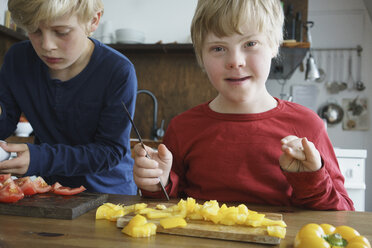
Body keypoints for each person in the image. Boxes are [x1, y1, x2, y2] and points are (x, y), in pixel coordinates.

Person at [133, 0, 354, 210]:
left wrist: (312, 177)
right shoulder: (182, 128)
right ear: (200, 55)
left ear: (274, 46)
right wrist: (155, 183)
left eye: (250, 44)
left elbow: (343, 213)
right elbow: (165, 206)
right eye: (218, 48)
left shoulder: (307, 125)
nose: (235, 61)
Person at [0, 0, 138, 195]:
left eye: (62, 32)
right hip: (47, 193)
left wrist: (40, 158)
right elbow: (5, 120)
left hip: (109, 195)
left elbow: (110, 152)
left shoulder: (118, 71)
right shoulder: (17, 59)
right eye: (35, 31)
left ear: (93, 20)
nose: (47, 46)